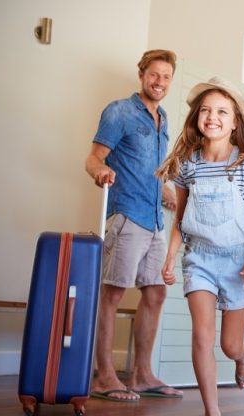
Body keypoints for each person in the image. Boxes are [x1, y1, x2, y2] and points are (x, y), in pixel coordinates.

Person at [156, 76, 244, 416]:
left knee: (228, 345)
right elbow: (181, 217)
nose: (213, 117)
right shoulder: (188, 164)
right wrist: (170, 257)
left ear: (235, 121)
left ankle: (243, 356)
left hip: (241, 261)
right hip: (199, 259)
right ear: (198, 117)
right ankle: (212, 411)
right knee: (201, 335)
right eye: (207, 110)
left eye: (222, 111)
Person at [84, 49, 183, 402]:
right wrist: (101, 171)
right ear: (142, 74)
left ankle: (141, 374)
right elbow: (94, 157)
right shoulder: (119, 111)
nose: (159, 82)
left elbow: (149, 168)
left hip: (154, 219)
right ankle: (104, 376)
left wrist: (167, 190)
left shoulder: (164, 117)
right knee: (111, 294)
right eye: (154, 74)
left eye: (166, 76)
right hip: (126, 216)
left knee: (155, 292)